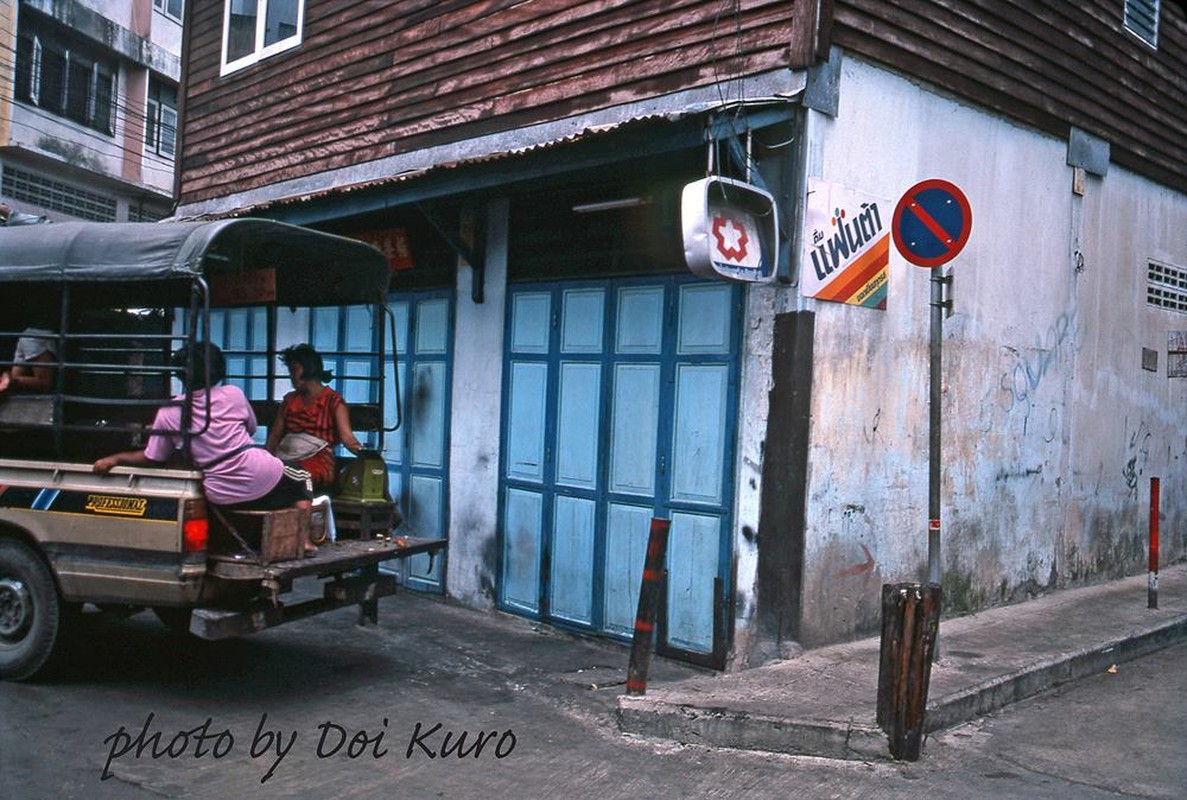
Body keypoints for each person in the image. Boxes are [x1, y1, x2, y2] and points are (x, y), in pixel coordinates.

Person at [93, 342, 318, 555]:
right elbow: (250, 429)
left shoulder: (169, 411)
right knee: (302, 476)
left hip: (221, 494)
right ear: (218, 369)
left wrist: (115, 459)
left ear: (180, 373)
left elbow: (153, 457)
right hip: (261, 476)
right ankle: (303, 539)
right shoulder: (233, 394)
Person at [266, 343, 362, 492]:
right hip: (284, 458)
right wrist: (265, 459)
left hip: (317, 463)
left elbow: (348, 439)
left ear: (309, 369)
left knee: (289, 476)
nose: (291, 377)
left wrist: (368, 457)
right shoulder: (289, 400)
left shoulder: (334, 401)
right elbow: (275, 435)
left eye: (294, 371)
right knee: (266, 474)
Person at [0, 327, 58, 395]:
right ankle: (8, 380)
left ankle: (6, 381)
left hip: (27, 334)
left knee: (15, 381)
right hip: (40, 334)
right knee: (44, 382)